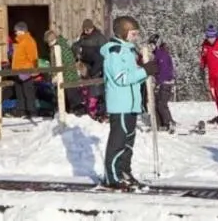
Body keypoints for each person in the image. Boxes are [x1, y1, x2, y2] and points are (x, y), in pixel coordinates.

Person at [100, 16, 160, 189]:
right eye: (132, 34)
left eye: (136, 34)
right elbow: (122, 78)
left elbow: (134, 78)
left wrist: (147, 71)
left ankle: (124, 172)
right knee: (117, 143)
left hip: (132, 105)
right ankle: (112, 177)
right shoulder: (115, 52)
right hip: (120, 105)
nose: (135, 37)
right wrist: (143, 72)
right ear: (122, 33)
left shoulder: (129, 51)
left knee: (128, 143)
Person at [73, 19, 109, 121]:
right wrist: (76, 50)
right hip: (87, 66)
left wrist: (96, 69)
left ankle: (102, 112)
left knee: (98, 90)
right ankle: (92, 110)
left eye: (88, 28)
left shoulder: (99, 38)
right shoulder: (83, 37)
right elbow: (76, 45)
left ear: (92, 28)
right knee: (88, 90)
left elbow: (104, 54)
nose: (87, 30)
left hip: (99, 66)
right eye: (85, 29)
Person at [10, 22, 38, 118]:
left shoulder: (29, 41)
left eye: (17, 31)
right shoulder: (19, 43)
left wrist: (29, 70)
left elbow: (33, 58)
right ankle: (22, 110)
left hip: (26, 72)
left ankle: (32, 111)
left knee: (28, 92)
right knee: (19, 92)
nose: (15, 33)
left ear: (22, 31)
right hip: (17, 72)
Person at [149, 36, 176, 132]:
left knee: (161, 104)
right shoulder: (157, 54)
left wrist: (159, 82)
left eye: (152, 44)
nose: (150, 47)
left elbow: (164, 70)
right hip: (161, 82)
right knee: (157, 103)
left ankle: (169, 122)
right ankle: (161, 123)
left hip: (165, 82)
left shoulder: (162, 55)